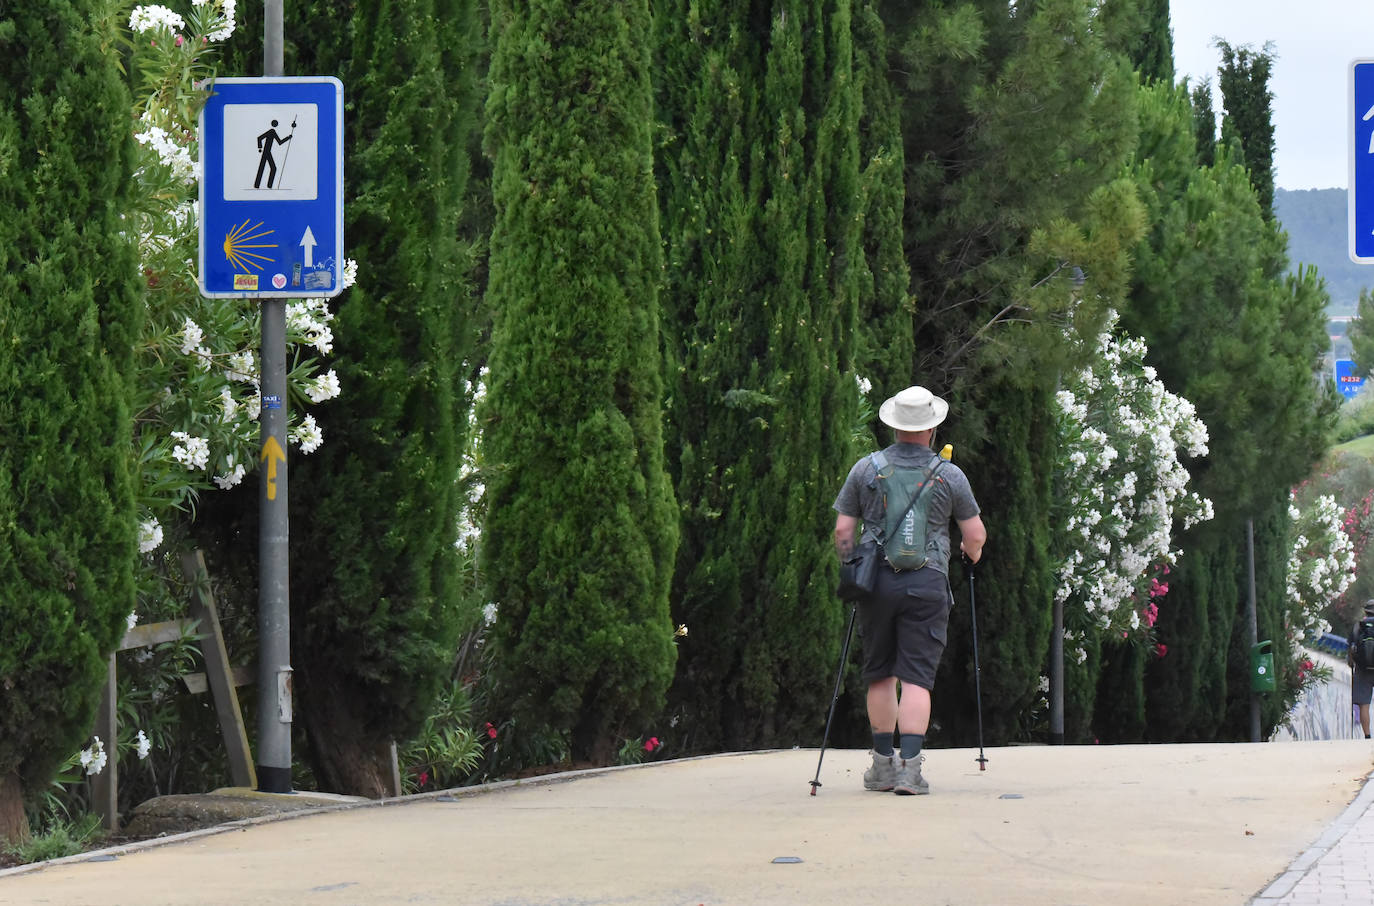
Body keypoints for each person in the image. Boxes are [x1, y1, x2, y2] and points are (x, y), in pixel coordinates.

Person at [832, 385, 986, 795]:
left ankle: (882, 767)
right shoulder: (949, 474)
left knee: (880, 673)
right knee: (917, 676)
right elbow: (974, 534)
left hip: (876, 583)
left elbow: (844, 530)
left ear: (894, 425)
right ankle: (911, 772)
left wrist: (852, 566)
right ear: (933, 427)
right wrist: (971, 555)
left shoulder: (866, 469)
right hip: (928, 581)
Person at [1349, 600, 1374, 738]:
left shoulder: (1359, 626)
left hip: (1363, 669)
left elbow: (1351, 648)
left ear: (1366, 611)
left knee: (1364, 704)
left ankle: (1367, 736)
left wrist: (1351, 663)